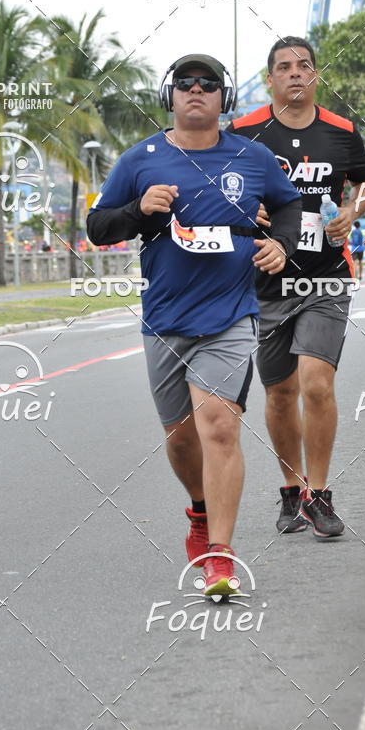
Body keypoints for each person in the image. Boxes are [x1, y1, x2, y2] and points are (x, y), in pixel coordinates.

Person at [87, 53, 301, 595]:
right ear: (171, 96)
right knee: (183, 442)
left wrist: (281, 244)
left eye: (209, 84)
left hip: (230, 314)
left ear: (224, 98)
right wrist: (139, 209)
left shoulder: (252, 157)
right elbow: (97, 227)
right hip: (165, 320)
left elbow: (291, 208)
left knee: (220, 427)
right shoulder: (142, 160)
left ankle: (221, 557)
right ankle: (200, 513)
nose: (197, 90)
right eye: (186, 83)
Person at [227, 36, 365, 539]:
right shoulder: (244, 131)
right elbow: (213, 186)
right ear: (269, 78)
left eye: (304, 66)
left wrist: (354, 210)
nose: (295, 73)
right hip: (265, 279)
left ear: (315, 76)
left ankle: (319, 494)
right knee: (279, 391)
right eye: (284, 67)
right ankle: (291, 489)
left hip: (325, 275)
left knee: (316, 382)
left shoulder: (341, 131)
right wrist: (245, 209)